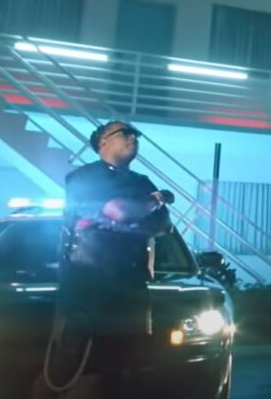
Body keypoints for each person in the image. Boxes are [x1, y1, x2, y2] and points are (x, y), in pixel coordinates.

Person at [42, 121, 174, 398]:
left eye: (136, 134)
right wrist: (154, 200)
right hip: (88, 287)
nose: (133, 138)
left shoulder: (141, 181)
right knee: (83, 365)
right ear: (103, 142)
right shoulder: (84, 178)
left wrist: (138, 212)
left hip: (130, 286)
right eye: (125, 133)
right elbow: (118, 211)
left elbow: (163, 225)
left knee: (126, 365)